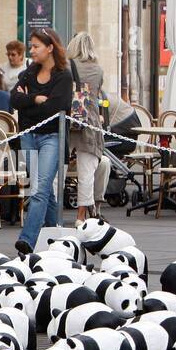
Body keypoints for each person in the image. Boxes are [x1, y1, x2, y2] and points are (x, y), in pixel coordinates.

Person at [11, 27, 73, 254]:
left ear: (50, 48)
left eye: (36, 46)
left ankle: (27, 240)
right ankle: (56, 235)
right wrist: (35, 99)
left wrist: (30, 105)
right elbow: (14, 99)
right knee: (45, 191)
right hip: (29, 135)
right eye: (31, 45)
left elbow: (55, 107)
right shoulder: (29, 72)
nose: (32, 50)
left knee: (39, 188)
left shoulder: (63, 76)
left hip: (52, 136)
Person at [67, 31, 106, 223]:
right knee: (86, 173)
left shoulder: (67, 66)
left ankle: (53, 213)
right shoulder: (98, 70)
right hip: (90, 123)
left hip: (67, 122)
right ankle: (81, 216)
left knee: (57, 171)